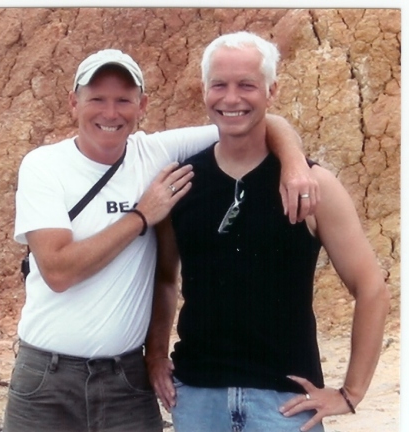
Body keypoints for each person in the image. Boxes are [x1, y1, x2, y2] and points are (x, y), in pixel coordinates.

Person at [3, 47, 319, 432]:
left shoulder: (155, 153)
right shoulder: (44, 165)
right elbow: (57, 270)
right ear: (73, 103)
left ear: (143, 105)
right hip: (46, 378)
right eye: (97, 99)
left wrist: (294, 163)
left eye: (123, 100)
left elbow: (258, 120)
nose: (110, 112)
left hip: (126, 379)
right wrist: (140, 216)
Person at [146, 31, 390, 432]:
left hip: (284, 404)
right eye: (219, 85)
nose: (231, 99)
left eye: (247, 85)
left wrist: (351, 393)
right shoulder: (183, 181)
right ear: (205, 89)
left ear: (271, 91)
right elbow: (165, 278)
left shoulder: (312, 185)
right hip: (197, 399)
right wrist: (155, 354)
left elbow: (371, 288)